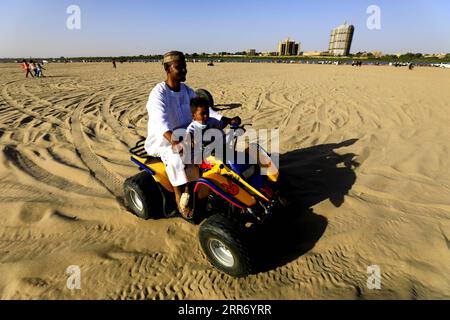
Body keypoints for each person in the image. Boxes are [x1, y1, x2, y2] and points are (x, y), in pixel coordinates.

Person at [144, 51, 240, 219]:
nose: (183, 71)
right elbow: (160, 122)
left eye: (184, 67)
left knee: (219, 142)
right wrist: (174, 140)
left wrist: (224, 118)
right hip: (165, 139)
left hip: (190, 133)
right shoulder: (158, 94)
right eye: (178, 68)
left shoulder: (188, 91)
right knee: (176, 157)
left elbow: (204, 110)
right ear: (167, 69)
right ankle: (179, 193)